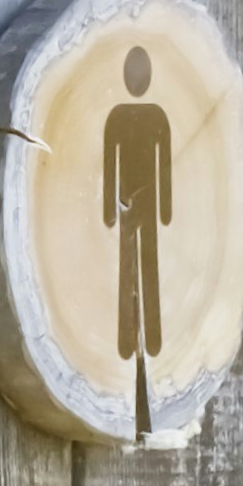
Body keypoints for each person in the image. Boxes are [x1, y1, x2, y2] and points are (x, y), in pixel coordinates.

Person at [102, 47, 175, 368]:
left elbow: (166, 166)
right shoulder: (118, 117)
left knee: (144, 263)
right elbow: (108, 166)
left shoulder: (154, 116)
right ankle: (127, 337)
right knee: (130, 266)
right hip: (129, 204)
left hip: (140, 204)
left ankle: (152, 336)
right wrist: (109, 207)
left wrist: (166, 209)